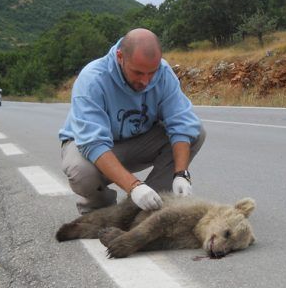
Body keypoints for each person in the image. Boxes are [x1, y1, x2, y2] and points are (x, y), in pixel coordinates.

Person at [59, 28, 205, 214]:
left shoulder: (164, 73)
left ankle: (147, 206)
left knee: (196, 132)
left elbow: (182, 123)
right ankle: (100, 210)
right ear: (120, 57)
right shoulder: (92, 79)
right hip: (89, 146)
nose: (145, 81)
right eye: (137, 73)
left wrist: (181, 174)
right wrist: (134, 186)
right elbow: (93, 143)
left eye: (151, 73)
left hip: (137, 142)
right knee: (81, 172)